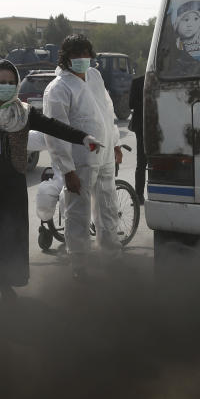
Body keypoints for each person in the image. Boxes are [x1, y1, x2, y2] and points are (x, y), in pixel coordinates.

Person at [0, 59, 102, 302]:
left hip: (12, 184)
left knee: (10, 236)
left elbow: (54, 126)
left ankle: (6, 284)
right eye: (2, 82)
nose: (7, 87)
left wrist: (83, 137)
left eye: (11, 83)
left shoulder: (23, 112)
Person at [43, 35, 123, 280]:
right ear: (65, 58)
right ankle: (79, 264)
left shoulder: (95, 77)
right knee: (78, 212)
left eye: (85, 54)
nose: (81, 59)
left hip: (106, 154)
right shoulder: (58, 88)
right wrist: (67, 170)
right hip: (80, 162)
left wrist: (116, 142)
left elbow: (107, 111)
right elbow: (55, 133)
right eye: (75, 55)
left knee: (108, 206)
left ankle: (111, 256)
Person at [128, 75, 146, 204]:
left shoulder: (138, 82)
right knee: (142, 162)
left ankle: (139, 195)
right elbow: (131, 104)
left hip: (145, 125)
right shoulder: (138, 82)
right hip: (144, 126)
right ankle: (138, 195)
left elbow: (131, 104)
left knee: (142, 162)